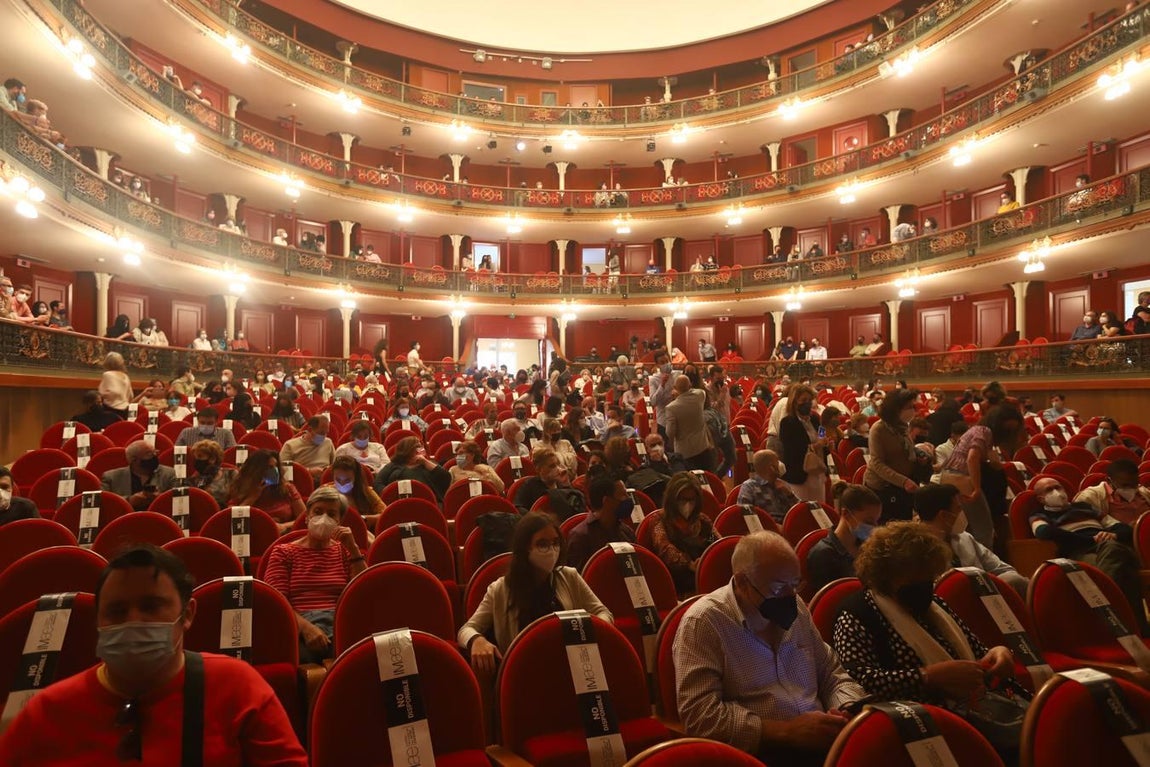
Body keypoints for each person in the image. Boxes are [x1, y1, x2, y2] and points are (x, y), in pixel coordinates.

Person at [0, 545, 308, 765]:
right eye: (117, 611)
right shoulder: (48, 712)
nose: (134, 621)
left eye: (151, 607)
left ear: (187, 614)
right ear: (98, 621)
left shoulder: (237, 686)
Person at [674, 531, 865, 763]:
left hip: (821, 740)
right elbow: (700, 717)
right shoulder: (705, 622)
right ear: (743, 582)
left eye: (795, 584)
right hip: (758, 753)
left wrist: (844, 710)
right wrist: (785, 731)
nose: (791, 596)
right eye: (778, 588)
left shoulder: (795, 606)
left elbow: (833, 674)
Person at [832, 522, 1021, 709]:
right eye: (914, 578)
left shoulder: (935, 604)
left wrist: (997, 653)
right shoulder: (857, 615)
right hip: (915, 719)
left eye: (929, 577)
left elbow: (977, 652)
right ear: (885, 576)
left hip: (971, 707)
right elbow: (858, 681)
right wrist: (926, 676)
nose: (923, 584)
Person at [459, 512, 612, 673]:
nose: (552, 550)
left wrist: (590, 629)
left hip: (571, 666)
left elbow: (604, 613)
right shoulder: (500, 589)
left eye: (555, 542)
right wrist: (477, 640)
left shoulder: (569, 576)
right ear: (525, 548)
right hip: (523, 670)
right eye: (542, 544)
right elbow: (466, 630)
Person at [264, 487, 367, 664]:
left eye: (331, 514)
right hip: (300, 623)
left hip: (340, 622)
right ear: (306, 517)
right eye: (318, 512)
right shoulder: (283, 552)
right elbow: (277, 602)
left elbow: (364, 592)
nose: (323, 518)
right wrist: (306, 628)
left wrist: (354, 548)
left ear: (339, 521)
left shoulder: (344, 551)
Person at [912, 483, 1028, 598]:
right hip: (953, 607)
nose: (963, 513)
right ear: (944, 515)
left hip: (988, 598)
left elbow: (1002, 569)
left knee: (1015, 580)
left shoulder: (964, 537)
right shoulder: (917, 549)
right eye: (958, 509)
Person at [938, 404, 1023, 549]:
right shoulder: (984, 431)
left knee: (967, 528)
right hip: (962, 478)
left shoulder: (977, 430)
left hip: (952, 477)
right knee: (983, 529)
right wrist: (976, 488)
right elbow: (972, 458)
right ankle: (983, 567)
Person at [806, 483, 882, 594]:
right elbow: (830, 601)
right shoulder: (823, 555)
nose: (874, 527)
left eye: (876, 521)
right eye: (868, 522)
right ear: (846, 514)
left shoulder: (867, 545)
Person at [652, 472, 717, 596]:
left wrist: (706, 561)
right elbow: (664, 548)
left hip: (704, 576)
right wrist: (689, 564)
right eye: (683, 499)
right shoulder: (659, 519)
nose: (687, 504)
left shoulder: (702, 520)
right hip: (677, 583)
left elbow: (717, 542)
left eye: (691, 500)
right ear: (672, 499)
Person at [863, 388, 922, 523]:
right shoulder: (878, 429)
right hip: (883, 487)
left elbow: (904, 452)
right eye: (908, 407)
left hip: (902, 488)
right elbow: (877, 463)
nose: (912, 410)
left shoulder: (902, 427)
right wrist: (903, 481)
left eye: (913, 406)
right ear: (896, 409)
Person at [565, 468, 639, 571]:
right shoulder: (580, 537)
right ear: (607, 501)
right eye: (623, 495)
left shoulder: (627, 532)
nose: (627, 498)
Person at [228, 450, 306, 534]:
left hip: (283, 535)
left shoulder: (287, 488)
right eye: (270, 467)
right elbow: (231, 519)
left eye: (276, 466)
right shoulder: (240, 488)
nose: (275, 470)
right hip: (252, 536)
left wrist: (284, 526)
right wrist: (253, 496)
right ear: (256, 471)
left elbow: (305, 518)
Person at [779, 385, 828, 503]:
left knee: (819, 507)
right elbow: (792, 450)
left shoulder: (816, 419)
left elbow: (822, 434)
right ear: (795, 403)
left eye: (809, 400)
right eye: (803, 400)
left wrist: (826, 443)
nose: (807, 403)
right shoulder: (787, 423)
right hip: (799, 473)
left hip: (817, 472)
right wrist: (815, 446)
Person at [99, 439, 178, 510]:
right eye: (149, 454)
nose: (155, 456)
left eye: (155, 452)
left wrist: (159, 498)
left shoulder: (168, 473)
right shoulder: (111, 477)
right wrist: (129, 501)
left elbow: (177, 500)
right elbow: (103, 503)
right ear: (134, 460)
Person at [373, 436, 452, 501]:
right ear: (407, 449)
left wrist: (424, 461)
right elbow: (378, 482)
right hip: (397, 502)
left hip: (427, 503)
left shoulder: (429, 464)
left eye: (421, 446)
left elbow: (446, 478)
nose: (421, 449)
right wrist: (390, 493)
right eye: (417, 447)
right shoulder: (394, 465)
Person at [1074, 459, 1150, 526]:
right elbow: (1086, 529)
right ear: (1109, 480)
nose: (1131, 489)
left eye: (1135, 484)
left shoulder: (1143, 492)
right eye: (1125, 485)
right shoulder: (1090, 497)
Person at [512, 447, 580, 518]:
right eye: (552, 466)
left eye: (557, 465)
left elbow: (576, 506)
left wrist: (567, 484)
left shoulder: (562, 483)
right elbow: (518, 508)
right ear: (539, 469)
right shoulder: (529, 485)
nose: (557, 469)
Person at [737, 449, 799, 524]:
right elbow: (746, 516)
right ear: (771, 467)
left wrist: (789, 494)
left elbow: (798, 511)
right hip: (764, 530)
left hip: (787, 526)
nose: (780, 465)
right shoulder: (749, 486)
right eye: (777, 462)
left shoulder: (783, 484)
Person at [666, 375, 713, 472]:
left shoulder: (671, 408)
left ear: (675, 388)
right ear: (690, 385)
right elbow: (696, 390)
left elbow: (670, 432)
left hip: (684, 451)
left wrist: (676, 397)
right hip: (702, 446)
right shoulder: (700, 395)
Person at [328, 455, 385, 531]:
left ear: (355, 478)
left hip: (361, 532)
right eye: (338, 480)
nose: (342, 484)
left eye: (347, 480)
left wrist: (364, 519)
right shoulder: (326, 491)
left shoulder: (366, 492)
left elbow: (385, 514)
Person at [279, 416, 335, 483]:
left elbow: (335, 465)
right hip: (301, 482)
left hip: (324, 482)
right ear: (310, 430)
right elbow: (283, 471)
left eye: (326, 433)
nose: (324, 436)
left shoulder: (328, 442)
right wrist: (309, 471)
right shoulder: (290, 445)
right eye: (321, 433)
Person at [186, 440, 237, 508]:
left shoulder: (230, 474)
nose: (197, 460)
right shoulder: (192, 481)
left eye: (200, 456)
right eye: (195, 457)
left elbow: (237, 499)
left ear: (212, 459)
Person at [97, 352, 132, 417]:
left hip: (110, 411)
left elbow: (101, 393)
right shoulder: (126, 376)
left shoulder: (107, 374)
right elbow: (131, 396)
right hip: (126, 411)